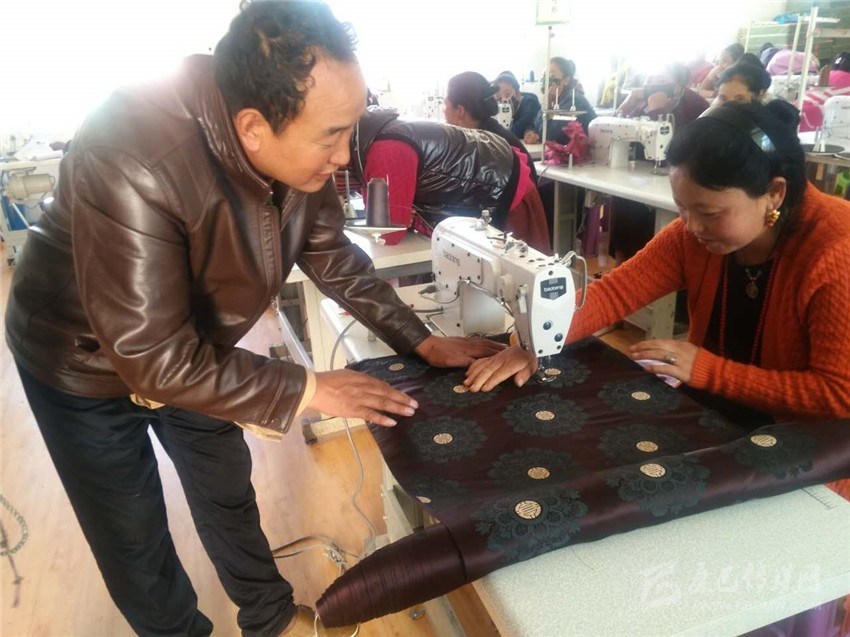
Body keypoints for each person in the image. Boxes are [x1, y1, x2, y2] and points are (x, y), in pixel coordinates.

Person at [4, 3, 505, 636]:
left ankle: (270, 619)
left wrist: (421, 341)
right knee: (132, 533)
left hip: (194, 348)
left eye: (350, 130)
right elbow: (151, 356)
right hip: (82, 360)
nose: (344, 155)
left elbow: (332, 257)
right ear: (252, 128)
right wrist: (309, 387)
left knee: (225, 489)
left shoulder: (297, 146)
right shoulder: (132, 153)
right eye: (331, 136)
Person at [464, 100, 850, 433]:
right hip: (717, 413)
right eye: (682, 209)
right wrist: (536, 339)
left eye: (709, 213)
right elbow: (615, 293)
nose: (691, 227)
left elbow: (837, 396)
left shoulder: (836, 252)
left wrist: (708, 370)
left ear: (775, 193)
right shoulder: (693, 234)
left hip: (810, 448)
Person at [350, 106, 550, 252]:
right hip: (492, 175)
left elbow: (387, 233)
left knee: (522, 280)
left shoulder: (385, 150)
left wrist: (410, 219)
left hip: (502, 186)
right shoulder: (373, 136)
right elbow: (387, 218)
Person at [444, 70, 537, 181]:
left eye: (446, 104)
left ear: (460, 111)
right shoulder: (486, 133)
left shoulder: (490, 148)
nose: (443, 111)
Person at [525, 56, 596, 144]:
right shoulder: (556, 100)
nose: (547, 80)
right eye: (545, 75)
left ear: (566, 81)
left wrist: (547, 105)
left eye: (552, 76)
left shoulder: (574, 101)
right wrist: (530, 132)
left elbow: (549, 135)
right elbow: (534, 123)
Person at [492, 70, 541, 141]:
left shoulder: (530, 102)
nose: (503, 99)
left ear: (518, 93)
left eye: (507, 94)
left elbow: (517, 130)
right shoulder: (497, 107)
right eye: (499, 97)